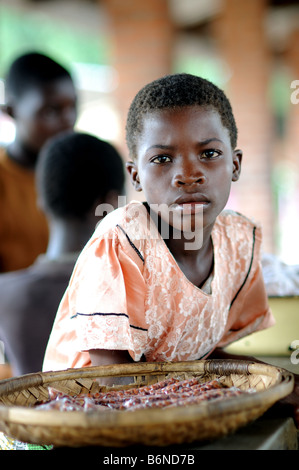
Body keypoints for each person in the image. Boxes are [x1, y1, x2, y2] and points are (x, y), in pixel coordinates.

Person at [43, 72, 275, 375]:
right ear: (136, 175)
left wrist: (273, 380)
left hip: (173, 401)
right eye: (163, 159)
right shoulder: (121, 244)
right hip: (87, 412)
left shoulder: (239, 241)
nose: (188, 174)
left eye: (209, 153)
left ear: (235, 164)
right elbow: (113, 384)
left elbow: (198, 354)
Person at [0, 131, 125, 376]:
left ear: (41, 201)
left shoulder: (6, 293)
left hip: (26, 414)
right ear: (109, 205)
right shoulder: (127, 288)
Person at [0, 52, 77, 273]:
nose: (68, 121)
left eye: (73, 107)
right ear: (11, 111)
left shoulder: (80, 174)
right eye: (51, 111)